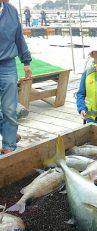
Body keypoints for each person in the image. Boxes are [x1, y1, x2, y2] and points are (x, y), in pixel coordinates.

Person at [0, 0, 32, 154]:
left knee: (10, 109)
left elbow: (19, 37)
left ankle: (9, 147)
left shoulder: (11, 11)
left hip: (8, 66)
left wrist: (26, 62)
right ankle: (10, 134)